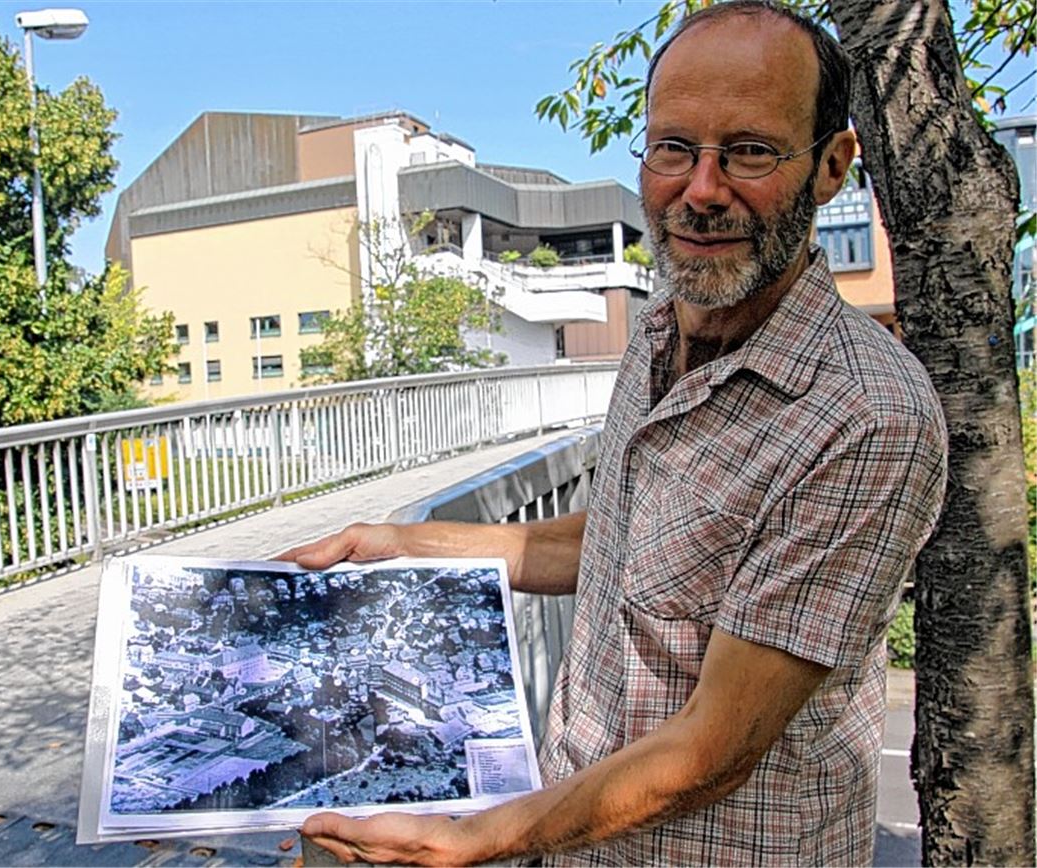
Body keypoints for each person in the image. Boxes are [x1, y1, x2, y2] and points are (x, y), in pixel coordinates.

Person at [277, 2, 948, 864]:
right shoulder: (661, 328)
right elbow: (622, 546)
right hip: (580, 838)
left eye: (749, 151)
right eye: (674, 149)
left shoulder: (867, 416)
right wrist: (403, 544)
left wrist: (467, 842)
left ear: (831, 167)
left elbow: (713, 751)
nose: (701, 191)